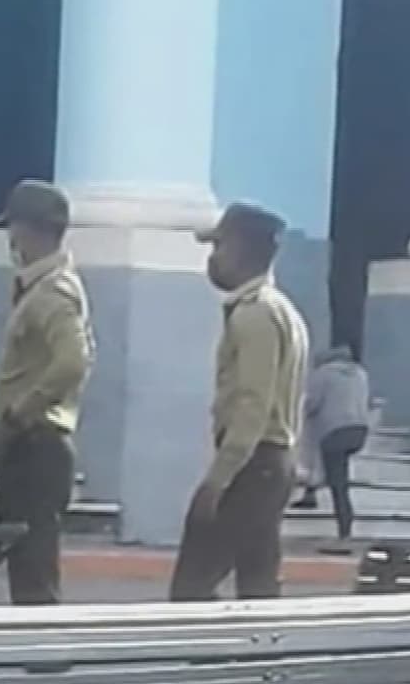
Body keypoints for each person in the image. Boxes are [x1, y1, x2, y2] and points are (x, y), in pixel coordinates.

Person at [168, 201, 310, 602]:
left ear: (243, 249)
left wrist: (218, 480)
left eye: (220, 246)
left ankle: (207, 644)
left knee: (192, 587)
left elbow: (252, 405)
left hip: (253, 464)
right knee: (258, 587)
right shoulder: (284, 310)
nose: (213, 258)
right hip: (273, 461)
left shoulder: (255, 314)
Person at [0, 179, 95, 605]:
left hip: (36, 444)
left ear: (27, 229)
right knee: (27, 565)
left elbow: (73, 361)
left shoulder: (54, 291)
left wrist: (21, 413)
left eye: (14, 229)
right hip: (28, 445)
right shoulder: (40, 287)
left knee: (34, 572)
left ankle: (40, 643)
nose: (11, 240)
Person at [291, 345, 370, 540]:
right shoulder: (360, 374)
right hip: (358, 430)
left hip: (334, 431)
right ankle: (311, 494)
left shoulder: (324, 374)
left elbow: (312, 403)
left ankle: (345, 526)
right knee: (334, 466)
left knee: (337, 481)